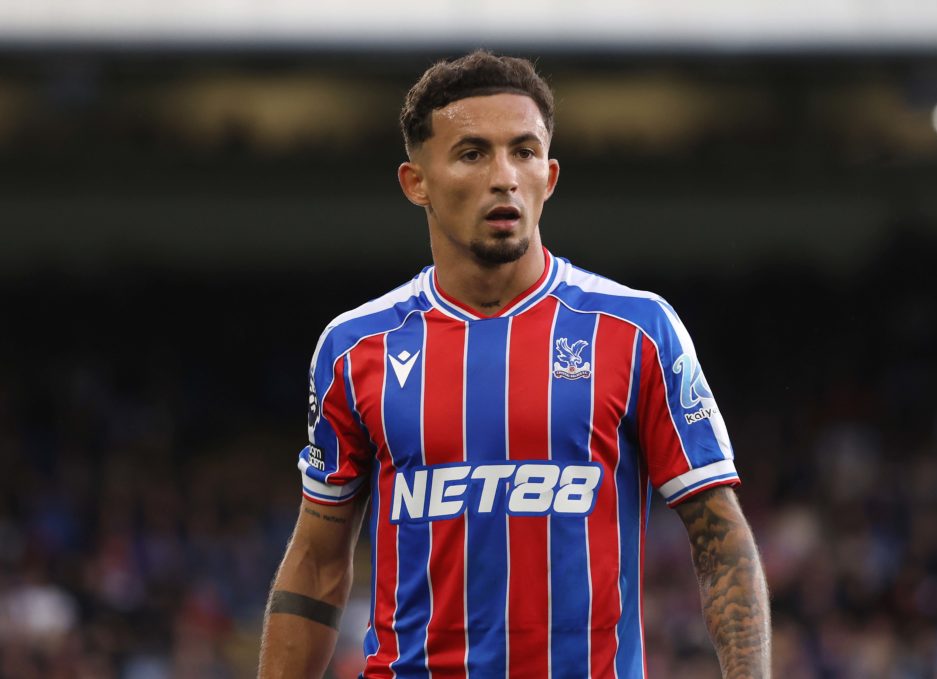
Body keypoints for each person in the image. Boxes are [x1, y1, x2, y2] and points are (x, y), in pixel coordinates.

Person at [258, 50, 770, 679]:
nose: (505, 176)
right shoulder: (356, 347)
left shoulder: (636, 331)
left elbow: (719, 542)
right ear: (415, 181)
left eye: (524, 152)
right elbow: (318, 559)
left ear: (549, 177)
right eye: (473, 153)